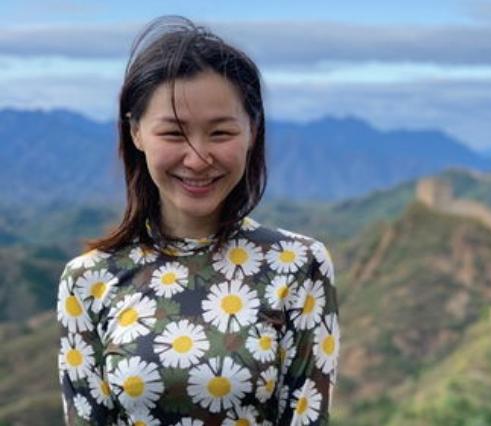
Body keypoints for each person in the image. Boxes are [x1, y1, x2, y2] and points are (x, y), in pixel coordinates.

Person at [56, 15, 339, 426]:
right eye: (174, 134)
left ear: (252, 131)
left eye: (220, 133)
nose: (198, 158)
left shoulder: (298, 265)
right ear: (136, 132)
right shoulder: (88, 280)